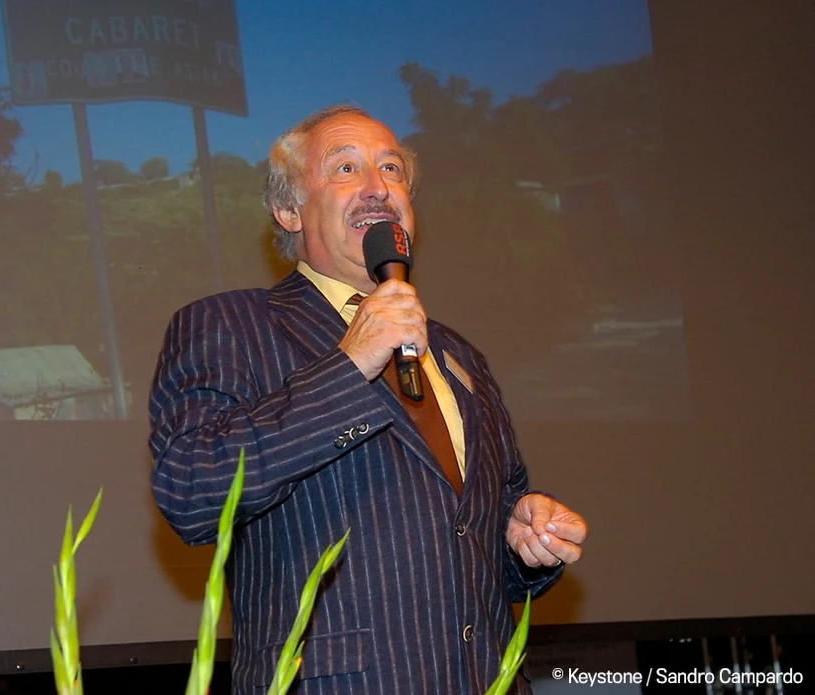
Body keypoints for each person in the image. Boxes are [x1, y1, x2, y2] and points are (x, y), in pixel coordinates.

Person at [149, 104, 588, 695]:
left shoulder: (458, 354)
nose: (378, 187)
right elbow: (190, 490)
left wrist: (524, 538)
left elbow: (477, 540)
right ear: (288, 210)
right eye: (346, 168)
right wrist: (350, 365)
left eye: (392, 169)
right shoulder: (230, 324)